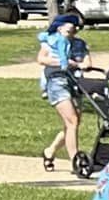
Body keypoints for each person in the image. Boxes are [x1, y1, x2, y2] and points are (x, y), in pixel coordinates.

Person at [36, 11, 89, 170]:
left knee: (72, 124)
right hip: (56, 82)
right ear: (59, 28)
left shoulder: (79, 44)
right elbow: (41, 59)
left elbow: (87, 62)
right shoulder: (51, 42)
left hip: (75, 82)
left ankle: (50, 151)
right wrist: (63, 62)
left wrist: (79, 64)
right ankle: (75, 160)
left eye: (76, 28)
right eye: (70, 28)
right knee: (72, 120)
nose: (74, 30)